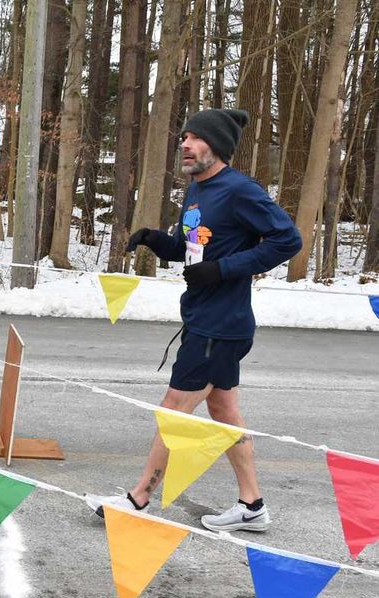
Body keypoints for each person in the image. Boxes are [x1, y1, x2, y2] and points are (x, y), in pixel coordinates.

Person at [86, 108, 303, 532]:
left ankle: (138, 499)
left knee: (174, 409)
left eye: (195, 138)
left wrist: (224, 270)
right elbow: (193, 252)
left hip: (219, 325)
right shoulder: (197, 191)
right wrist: (155, 240)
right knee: (224, 411)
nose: (184, 144)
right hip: (208, 318)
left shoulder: (240, 190)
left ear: (217, 146)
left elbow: (287, 240)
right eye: (183, 137)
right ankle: (252, 505)